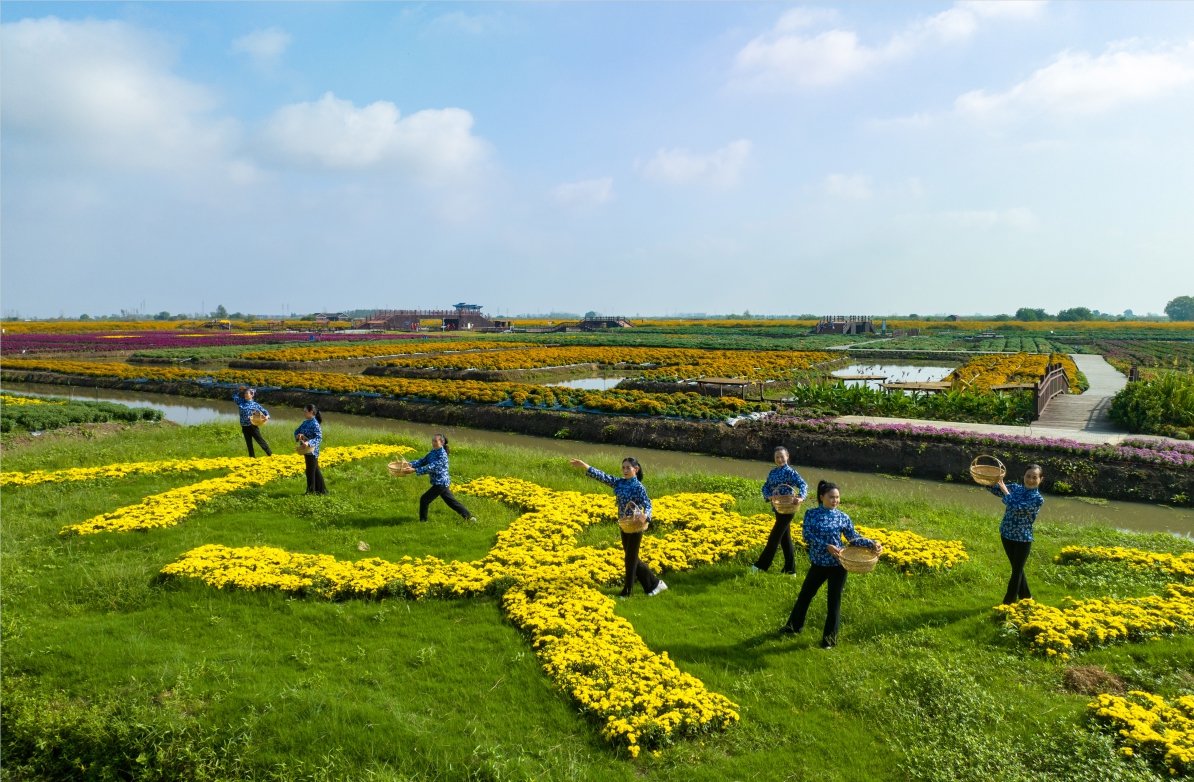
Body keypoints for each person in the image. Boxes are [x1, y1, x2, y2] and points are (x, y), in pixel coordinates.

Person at [781, 480, 883, 649]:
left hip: (839, 565)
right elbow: (806, 536)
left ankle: (829, 641)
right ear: (822, 497)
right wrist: (825, 546)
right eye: (831, 497)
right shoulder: (811, 514)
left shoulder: (843, 516)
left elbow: (853, 537)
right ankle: (793, 627)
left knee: (834, 602)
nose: (835, 500)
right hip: (819, 564)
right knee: (805, 595)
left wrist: (872, 543)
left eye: (837, 497)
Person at [569, 456, 667, 598]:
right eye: (623, 467)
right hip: (623, 525)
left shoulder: (638, 487)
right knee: (632, 558)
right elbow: (603, 476)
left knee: (630, 559)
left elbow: (648, 503)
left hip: (635, 526)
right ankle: (656, 584)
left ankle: (628, 592)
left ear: (636, 469)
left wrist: (646, 516)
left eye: (628, 467)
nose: (625, 470)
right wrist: (586, 466)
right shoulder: (619, 483)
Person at [989, 464, 1045, 605]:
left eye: (1034, 477)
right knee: (1017, 568)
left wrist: (1006, 493)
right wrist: (988, 479)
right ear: (1023, 476)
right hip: (1006, 534)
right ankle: (1027, 598)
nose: (1030, 480)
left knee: (1016, 572)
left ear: (1040, 479)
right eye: (1028, 476)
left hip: (1022, 539)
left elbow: (1018, 508)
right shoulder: (1015, 488)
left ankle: (1008, 604)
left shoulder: (1038, 499)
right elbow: (995, 489)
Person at [752, 446, 808, 575]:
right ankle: (790, 570)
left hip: (789, 508)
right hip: (778, 507)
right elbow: (765, 487)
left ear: (787, 457)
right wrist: (769, 496)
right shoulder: (772, 472)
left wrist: (801, 497)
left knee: (774, 537)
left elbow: (803, 484)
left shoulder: (791, 472)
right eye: (777, 457)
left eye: (782, 457)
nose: (780, 459)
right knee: (785, 539)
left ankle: (760, 566)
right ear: (774, 459)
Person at [410, 434, 476, 522]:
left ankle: (423, 521)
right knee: (452, 502)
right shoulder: (433, 451)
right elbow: (423, 461)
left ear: (442, 442)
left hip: (441, 483)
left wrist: (414, 470)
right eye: (432, 441)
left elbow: (431, 468)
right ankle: (470, 517)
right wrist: (409, 464)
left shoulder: (442, 455)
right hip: (440, 483)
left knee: (424, 499)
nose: (433, 443)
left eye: (435, 441)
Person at [294, 404, 327, 495]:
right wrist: (298, 435)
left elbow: (319, 438)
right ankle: (322, 491)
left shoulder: (315, 424)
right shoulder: (305, 422)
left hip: (312, 451)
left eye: (305, 411)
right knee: (315, 471)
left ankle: (310, 492)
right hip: (305, 450)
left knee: (310, 472)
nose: (304, 413)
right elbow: (297, 431)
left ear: (311, 412)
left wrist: (309, 443)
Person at [232, 386, 272, 457]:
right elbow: (234, 396)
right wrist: (239, 389)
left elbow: (265, 411)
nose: (245, 395)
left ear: (252, 395)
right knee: (249, 444)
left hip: (252, 426)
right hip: (244, 426)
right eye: (245, 393)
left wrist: (267, 416)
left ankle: (271, 455)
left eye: (247, 394)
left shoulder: (255, 405)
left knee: (261, 442)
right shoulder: (241, 402)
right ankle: (252, 458)